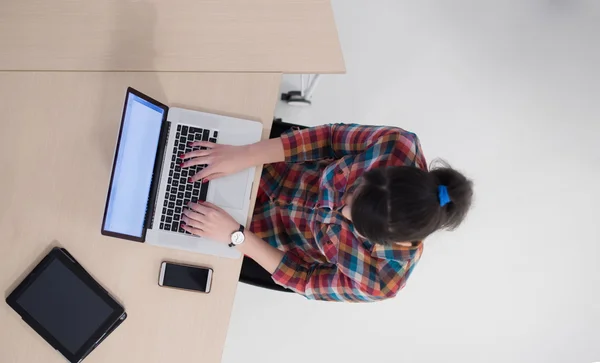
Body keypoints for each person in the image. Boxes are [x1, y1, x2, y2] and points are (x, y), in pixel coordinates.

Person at [178, 123, 473, 302]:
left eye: (353, 221)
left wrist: (236, 236)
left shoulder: (382, 280)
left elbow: (305, 280)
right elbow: (329, 139)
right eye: (352, 192)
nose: (341, 210)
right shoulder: (396, 146)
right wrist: (246, 154)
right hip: (258, 166)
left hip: (249, 236)